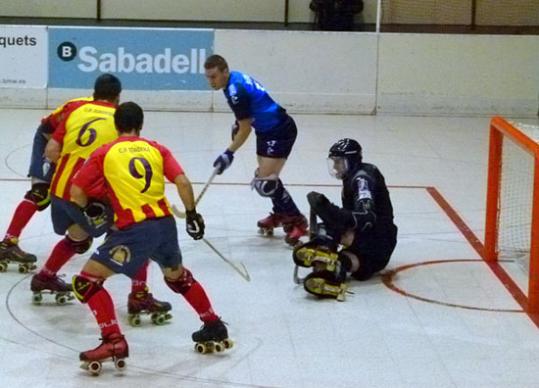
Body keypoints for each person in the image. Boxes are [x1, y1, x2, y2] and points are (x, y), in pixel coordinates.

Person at [70, 102, 231, 372]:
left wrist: (90, 208)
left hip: (134, 230)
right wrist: (192, 214)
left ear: (116, 126)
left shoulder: (104, 153)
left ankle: (113, 341)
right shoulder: (157, 148)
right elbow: (182, 182)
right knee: (177, 277)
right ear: (140, 125)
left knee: (87, 282)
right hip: (165, 225)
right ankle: (213, 324)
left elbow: (76, 191)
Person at [29, 75, 171, 323]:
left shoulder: (77, 110)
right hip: (83, 194)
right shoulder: (117, 121)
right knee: (137, 231)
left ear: (93, 93)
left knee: (78, 235)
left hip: (59, 190)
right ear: (118, 97)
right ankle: (139, 294)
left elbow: (51, 150)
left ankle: (45, 277)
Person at [204, 54, 307, 246]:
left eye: (214, 76)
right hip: (266, 131)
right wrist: (239, 123)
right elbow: (249, 114)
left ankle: (297, 220)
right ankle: (281, 213)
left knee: (265, 183)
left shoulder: (235, 90)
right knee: (265, 178)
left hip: (279, 129)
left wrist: (229, 153)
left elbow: (245, 129)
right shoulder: (233, 80)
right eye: (208, 77)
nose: (211, 81)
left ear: (225, 71)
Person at [293, 138, 397, 300]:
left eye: (339, 162)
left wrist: (334, 213)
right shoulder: (354, 177)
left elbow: (367, 218)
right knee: (347, 259)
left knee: (328, 229)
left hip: (378, 238)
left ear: (351, 161)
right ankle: (333, 271)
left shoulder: (362, 180)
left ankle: (322, 256)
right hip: (376, 254)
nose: (335, 166)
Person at [0, 95, 93, 272]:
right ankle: (8, 243)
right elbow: (46, 129)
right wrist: (61, 160)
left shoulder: (107, 113)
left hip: (68, 147)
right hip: (49, 140)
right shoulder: (76, 107)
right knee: (41, 193)